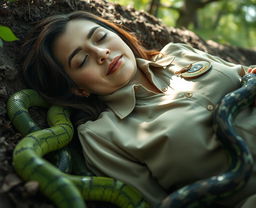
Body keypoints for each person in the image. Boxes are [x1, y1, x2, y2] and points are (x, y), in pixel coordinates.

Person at [22, 11, 256, 207]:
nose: (101, 53)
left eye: (101, 37)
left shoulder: (180, 53)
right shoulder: (101, 136)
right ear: (77, 89)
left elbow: (248, 73)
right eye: (82, 61)